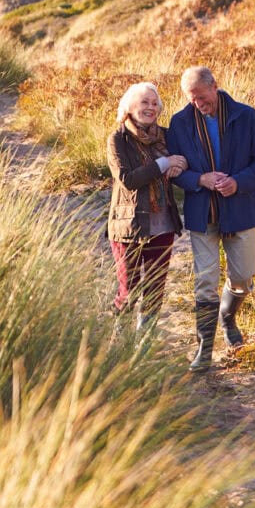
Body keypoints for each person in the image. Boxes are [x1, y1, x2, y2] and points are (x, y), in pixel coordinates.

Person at [166, 67, 255, 371]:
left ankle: (228, 317)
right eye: (192, 99)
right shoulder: (179, 123)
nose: (199, 104)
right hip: (203, 214)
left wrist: (238, 182)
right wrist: (199, 179)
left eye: (202, 97)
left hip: (240, 210)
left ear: (215, 86)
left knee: (243, 278)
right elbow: (175, 172)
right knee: (204, 282)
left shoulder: (246, 116)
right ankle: (204, 349)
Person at [107, 82, 186, 331]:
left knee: (154, 288)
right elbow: (128, 179)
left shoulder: (166, 136)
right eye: (144, 102)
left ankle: (145, 344)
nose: (150, 108)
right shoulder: (118, 138)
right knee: (129, 289)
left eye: (154, 103)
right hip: (128, 226)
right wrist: (164, 164)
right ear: (129, 106)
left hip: (163, 224)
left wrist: (178, 166)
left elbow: (182, 160)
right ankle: (120, 338)